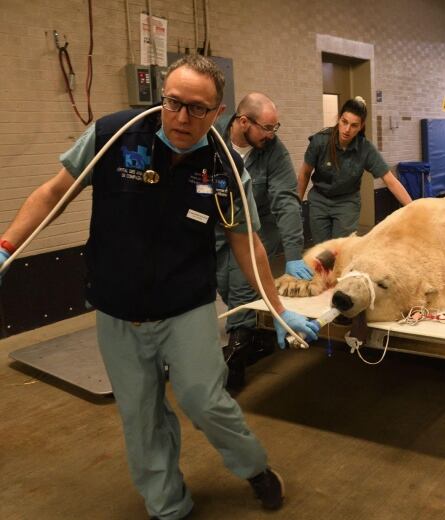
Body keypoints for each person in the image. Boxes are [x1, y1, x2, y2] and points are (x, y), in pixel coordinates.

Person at [0, 54, 319, 519]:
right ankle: (169, 507)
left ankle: (254, 469)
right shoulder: (113, 136)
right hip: (117, 308)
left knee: (205, 400)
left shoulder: (225, 165)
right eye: (173, 103)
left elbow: (245, 241)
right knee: (141, 416)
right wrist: (8, 246)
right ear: (161, 97)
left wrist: (277, 308)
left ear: (218, 112)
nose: (181, 117)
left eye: (197, 109)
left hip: (184, 306)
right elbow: (53, 193)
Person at [215, 92, 312, 389]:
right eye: (267, 128)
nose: (272, 135)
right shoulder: (211, 137)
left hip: (259, 227)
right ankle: (256, 335)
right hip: (217, 226)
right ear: (243, 122)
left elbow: (286, 200)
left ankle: (236, 358)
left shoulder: (274, 152)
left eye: (275, 128)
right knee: (226, 283)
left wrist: (294, 253)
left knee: (243, 281)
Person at [297, 96, 413, 244]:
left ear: (361, 126)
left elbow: (390, 181)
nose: (347, 129)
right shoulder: (320, 141)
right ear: (339, 119)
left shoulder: (365, 149)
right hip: (320, 200)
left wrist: (413, 209)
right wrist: (296, 205)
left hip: (347, 202)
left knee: (341, 249)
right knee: (322, 250)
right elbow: (305, 173)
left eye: (354, 125)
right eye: (344, 122)